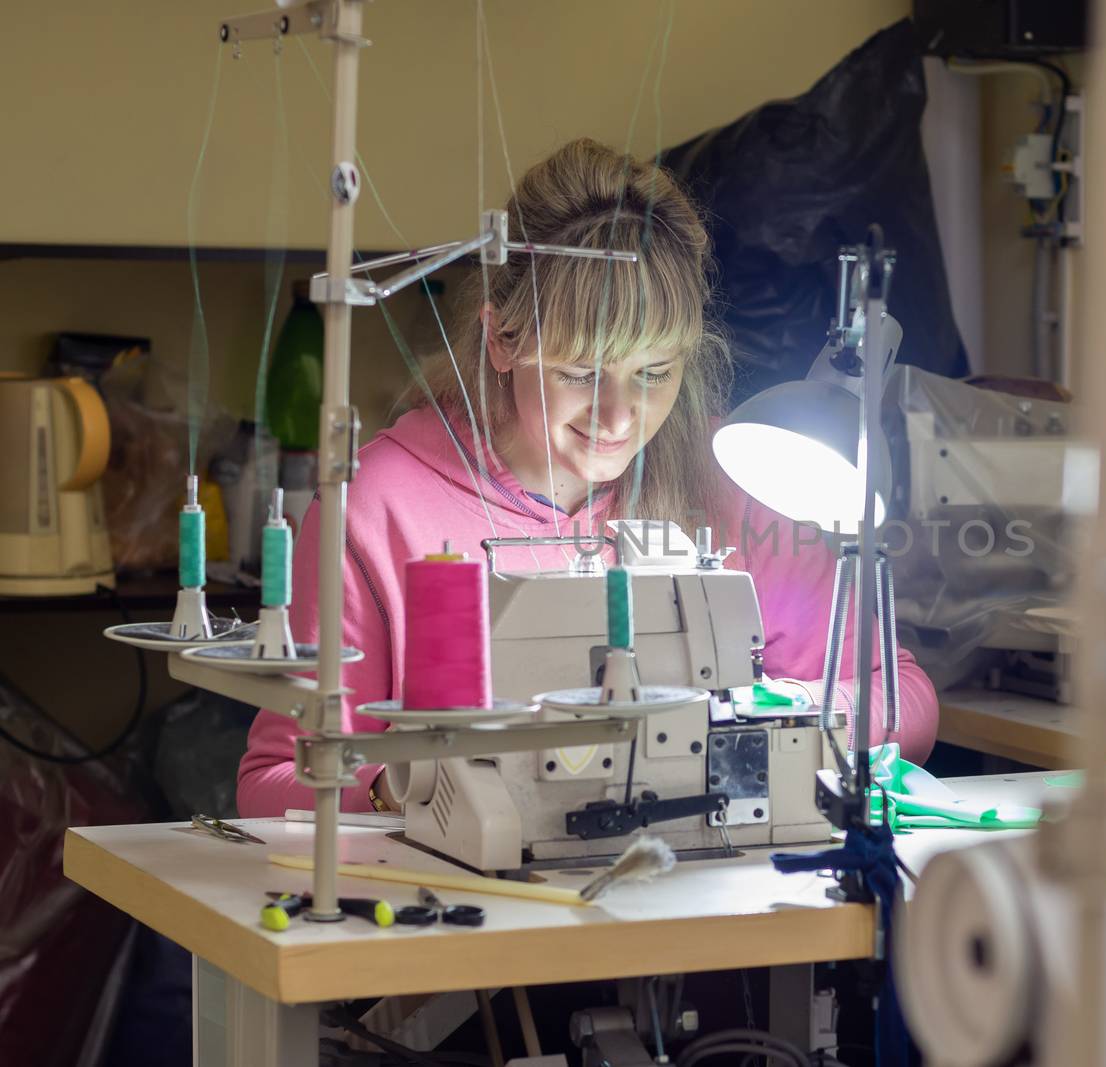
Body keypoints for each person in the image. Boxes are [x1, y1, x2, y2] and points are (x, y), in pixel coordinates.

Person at [236, 139, 936, 817]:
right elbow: (270, 784)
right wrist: (408, 782)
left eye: (654, 374)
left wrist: (760, 716)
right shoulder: (382, 508)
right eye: (581, 373)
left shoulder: (739, 477)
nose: (619, 417)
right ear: (503, 339)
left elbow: (903, 697)